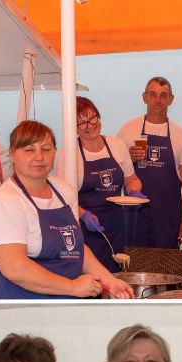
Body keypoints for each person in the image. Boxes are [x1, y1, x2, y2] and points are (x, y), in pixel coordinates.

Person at [0, 120, 134, 299]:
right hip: (15, 302)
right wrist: (73, 287)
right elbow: (15, 268)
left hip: (59, 301)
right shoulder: (6, 202)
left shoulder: (63, 190)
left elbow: (76, 249)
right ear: (12, 155)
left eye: (46, 149)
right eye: (29, 150)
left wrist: (110, 280)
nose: (39, 156)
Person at [57, 97, 145, 273]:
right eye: (81, 123)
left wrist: (134, 192)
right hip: (84, 229)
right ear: (73, 128)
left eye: (92, 118)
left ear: (99, 117)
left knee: (116, 278)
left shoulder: (117, 146)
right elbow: (62, 198)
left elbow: (132, 179)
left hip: (117, 227)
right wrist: (84, 215)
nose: (89, 125)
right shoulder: (67, 154)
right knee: (91, 281)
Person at [115, 77, 182, 249]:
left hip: (168, 216)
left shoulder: (181, 134)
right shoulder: (128, 129)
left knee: (165, 269)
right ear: (145, 97)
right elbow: (114, 172)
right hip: (134, 214)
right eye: (153, 95)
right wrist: (129, 158)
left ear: (171, 99)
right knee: (133, 265)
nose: (158, 100)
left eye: (163, 95)